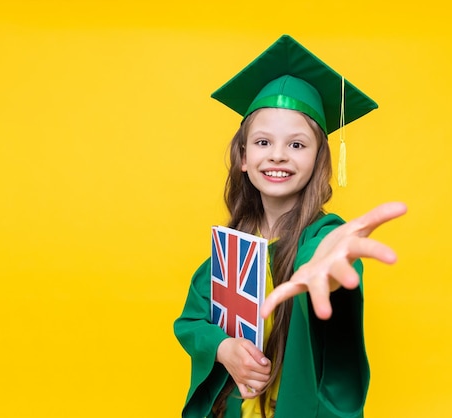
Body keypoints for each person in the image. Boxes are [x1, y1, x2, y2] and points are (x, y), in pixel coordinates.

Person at [173, 34, 407, 418]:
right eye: (263, 142)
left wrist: (329, 270)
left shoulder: (323, 240)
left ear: (319, 160)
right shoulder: (231, 249)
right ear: (244, 158)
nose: (278, 155)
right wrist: (222, 348)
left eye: (297, 145)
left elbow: (326, 264)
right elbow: (191, 321)